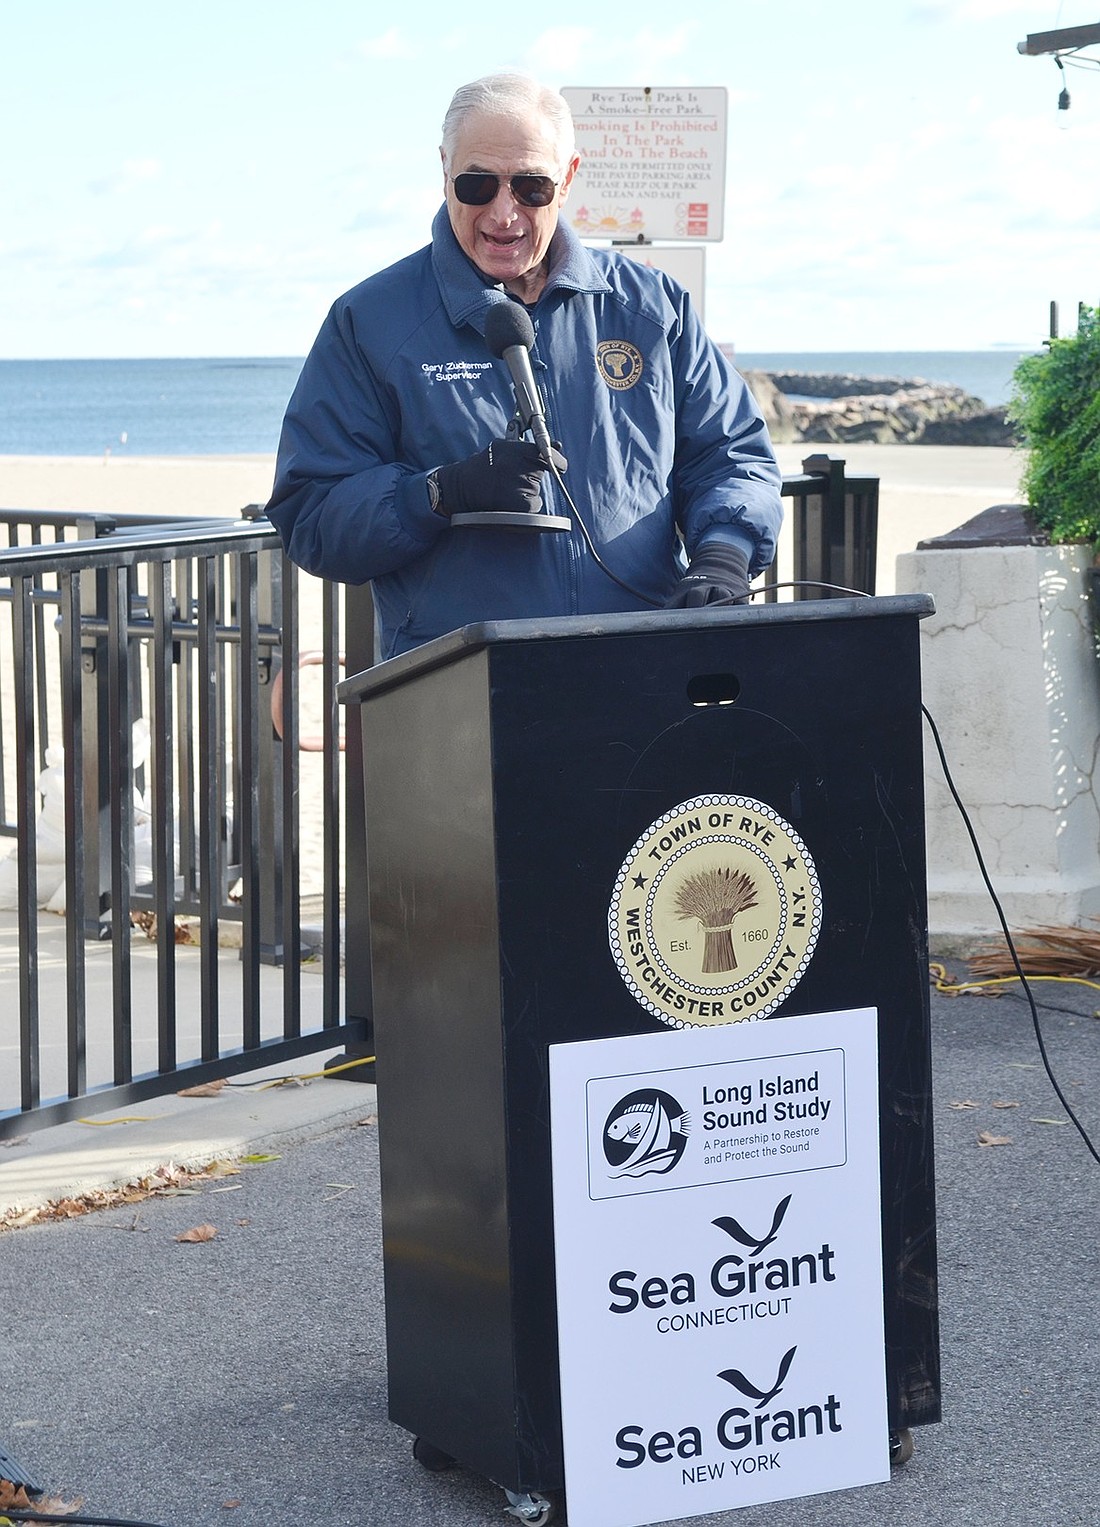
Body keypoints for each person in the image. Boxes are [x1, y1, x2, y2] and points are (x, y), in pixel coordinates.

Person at [265, 72, 783, 660]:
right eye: (477, 184)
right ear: (444, 172)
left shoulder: (652, 308)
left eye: (531, 186)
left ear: (568, 179)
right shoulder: (369, 321)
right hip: (458, 688)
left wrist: (723, 552)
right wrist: (439, 493)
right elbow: (311, 514)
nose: (504, 212)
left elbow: (731, 453)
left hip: (643, 665)